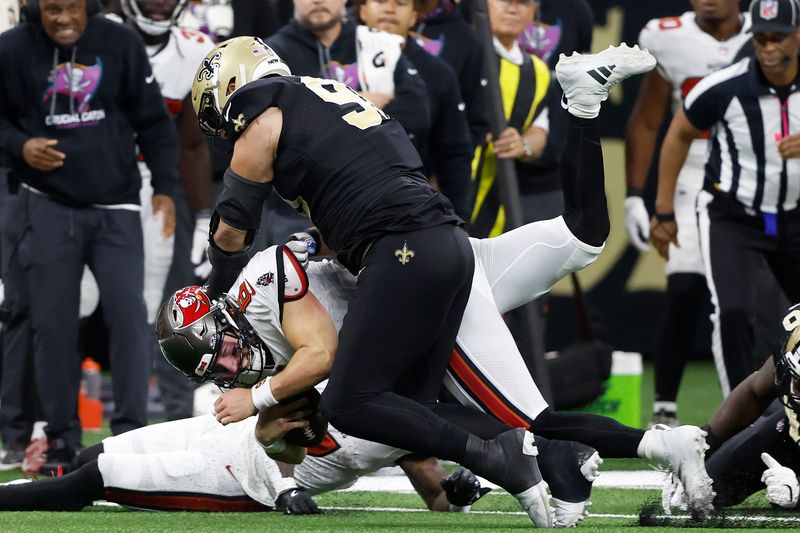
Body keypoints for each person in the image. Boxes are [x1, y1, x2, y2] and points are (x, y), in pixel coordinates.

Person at [189, 36, 661, 526]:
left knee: (350, 403)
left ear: (231, 85)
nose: (227, 131)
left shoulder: (262, 110)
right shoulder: (330, 92)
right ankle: (560, 452)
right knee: (413, 409)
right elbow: (366, 183)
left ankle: (514, 457)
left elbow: (230, 229)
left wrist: (219, 289)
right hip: (444, 239)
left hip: (404, 252)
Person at [0, 0, 179, 472]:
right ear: (36, 9)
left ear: (90, 7)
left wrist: (166, 188)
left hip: (117, 204)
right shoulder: (11, 48)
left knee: (129, 317)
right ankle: (61, 440)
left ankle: (131, 437)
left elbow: (154, 121)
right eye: (52, 9)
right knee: (52, 324)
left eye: (72, 9)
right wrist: (20, 145)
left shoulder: (119, 42)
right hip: (46, 202)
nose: (63, 19)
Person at [651, 0, 800, 397]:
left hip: (794, 214)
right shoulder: (725, 86)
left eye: (779, 37)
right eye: (761, 38)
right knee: (733, 311)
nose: (768, 48)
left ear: (798, 36)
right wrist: (663, 209)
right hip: (732, 213)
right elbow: (678, 132)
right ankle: (741, 415)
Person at [0, 397, 493, 514]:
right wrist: (288, 487)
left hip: (243, 476)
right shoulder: (342, 354)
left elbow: (437, 501)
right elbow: (275, 418)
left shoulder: (414, 425)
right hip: (232, 436)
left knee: (103, 473)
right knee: (94, 451)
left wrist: (459, 493)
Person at [624, 0, 751, 425]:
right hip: (690, 168)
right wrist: (637, 196)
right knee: (684, 290)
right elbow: (647, 119)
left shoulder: (768, 33)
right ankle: (664, 409)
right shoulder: (668, 36)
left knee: (747, 301)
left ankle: (750, 403)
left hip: (753, 171)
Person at [259, 0, 431, 244]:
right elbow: (270, 131)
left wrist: (318, 115)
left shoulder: (376, 43)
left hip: (378, 200)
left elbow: (417, 113)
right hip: (298, 211)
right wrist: (361, 102)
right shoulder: (271, 54)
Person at [116, 0, 215, 421]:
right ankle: (36, 421)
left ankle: (176, 414)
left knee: (168, 304)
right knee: (75, 304)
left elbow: (192, 144)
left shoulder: (194, 50)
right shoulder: (98, 36)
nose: (157, 4)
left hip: (161, 188)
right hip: (94, 187)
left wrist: (202, 216)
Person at [663, 302, 800, 513]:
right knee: (703, 492)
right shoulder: (795, 334)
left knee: (790, 497)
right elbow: (755, 391)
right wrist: (702, 446)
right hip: (788, 431)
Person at [356, 0, 473, 220]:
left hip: (410, 206)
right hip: (335, 200)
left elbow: (454, 152)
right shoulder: (335, 60)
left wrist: (458, 217)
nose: (389, 9)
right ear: (362, 10)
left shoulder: (438, 73)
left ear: (414, 16)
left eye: (400, 3)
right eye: (380, 1)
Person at [469, 0, 557, 238]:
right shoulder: (463, 52)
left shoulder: (540, 73)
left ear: (534, 11)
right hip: (441, 194)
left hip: (496, 208)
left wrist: (522, 145)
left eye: (522, 2)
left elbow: (540, 129)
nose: (512, 8)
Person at [414, 0, 487, 148]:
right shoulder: (367, 23)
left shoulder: (467, 40)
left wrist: (445, 168)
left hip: (428, 165)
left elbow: (475, 121)